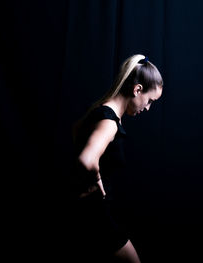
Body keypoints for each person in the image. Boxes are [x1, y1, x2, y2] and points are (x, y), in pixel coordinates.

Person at [69, 54, 163, 262]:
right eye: (149, 101)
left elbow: (77, 135)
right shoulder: (109, 122)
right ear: (137, 89)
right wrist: (97, 179)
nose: (147, 108)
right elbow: (86, 159)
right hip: (93, 216)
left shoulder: (101, 110)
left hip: (88, 213)